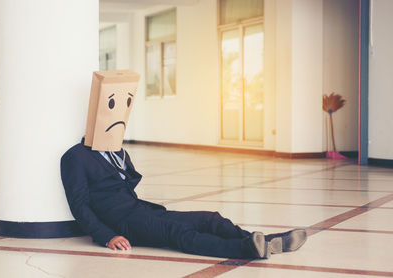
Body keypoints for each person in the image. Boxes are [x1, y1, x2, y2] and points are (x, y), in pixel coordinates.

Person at [60, 70, 307, 259]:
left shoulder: (117, 151)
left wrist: (118, 157)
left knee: (211, 219)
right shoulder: (75, 156)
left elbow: (129, 184)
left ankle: (266, 240)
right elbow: (79, 206)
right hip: (123, 223)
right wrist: (107, 237)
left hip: (143, 211)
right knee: (179, 235)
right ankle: (246, 248)